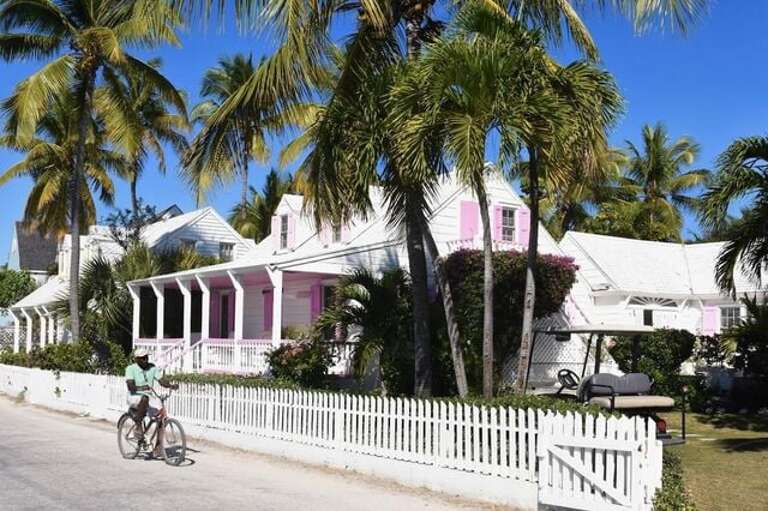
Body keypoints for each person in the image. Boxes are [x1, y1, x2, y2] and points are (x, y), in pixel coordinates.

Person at [125, 348, 178, 458]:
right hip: (134, 396)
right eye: (143, 358)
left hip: (149, 397)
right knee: (144, 398)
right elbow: (130, 386)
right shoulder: (130, 369)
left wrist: (171, 385)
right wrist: (141, 387)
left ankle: (158, 447)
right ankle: (138, 426)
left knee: (160, 418)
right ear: (137, 359)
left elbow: (161, 380)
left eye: (146, 357)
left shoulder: (152, 368)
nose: (145, 360)